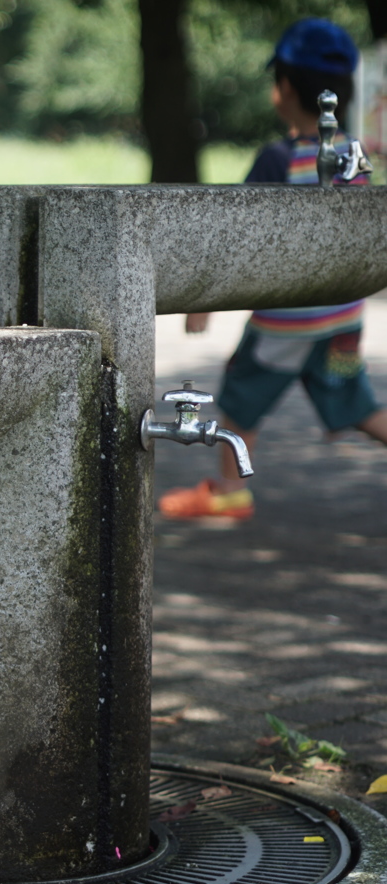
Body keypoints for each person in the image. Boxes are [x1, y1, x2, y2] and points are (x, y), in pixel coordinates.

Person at [159, 17, 387, 521]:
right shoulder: (355, 154)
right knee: (359, 407)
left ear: (283, 87)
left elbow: (240, 235)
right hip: (342, 318)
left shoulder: (276, 159)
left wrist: (202, 299)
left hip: (287, 321)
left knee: (240, 395)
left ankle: (230, 489)